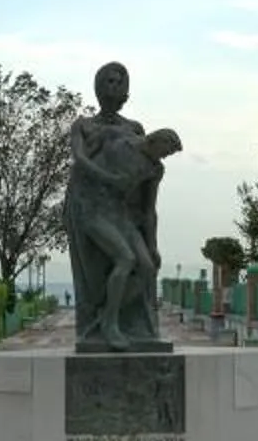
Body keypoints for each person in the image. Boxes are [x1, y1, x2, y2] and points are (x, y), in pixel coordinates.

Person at [62, 61, 181, 352]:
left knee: (146, 267)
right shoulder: (84, 125)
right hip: (89, 208)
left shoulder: (134, 130)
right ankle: (106, 324)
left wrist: (151, 242)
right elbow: (79, 159)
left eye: (120, 82)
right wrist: (107, 179)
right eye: (109, 81)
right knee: (117, 263)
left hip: (123, 215)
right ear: (98, 86)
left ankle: (112, 319)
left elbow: (146, 197)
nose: (114, 87)